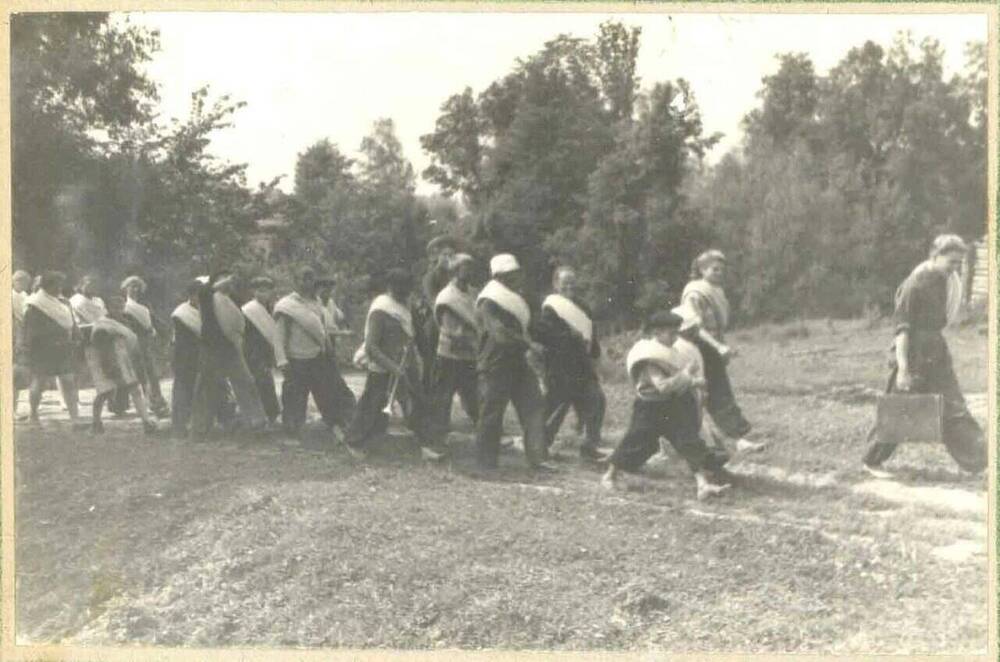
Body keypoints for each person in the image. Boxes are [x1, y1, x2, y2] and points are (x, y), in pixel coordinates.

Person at [862, 234, 987, 477]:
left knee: (953, 404)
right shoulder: (914, 285)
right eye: (951, 261)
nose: (955, 268)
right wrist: (904, 369)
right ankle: (871, 461)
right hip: (913, 353)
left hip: (936, 352)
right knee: (899, 407)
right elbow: (902, 331)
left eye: (959, 263)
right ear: (935, 256)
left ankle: (980, 461)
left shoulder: (944, 280)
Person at [601, 310, 731, 500]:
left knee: (688, 441)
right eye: (670, 333)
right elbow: (662, 386)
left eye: (675, 333)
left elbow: (675, 383)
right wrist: (688, 376)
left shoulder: (671, 352)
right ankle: (609, 476)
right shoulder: (649, 357)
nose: (674, 337)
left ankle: (702, 485)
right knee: (635, 441)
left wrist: (693, 382)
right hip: (649, 408)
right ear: (657, 333)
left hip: (671, 406)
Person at [345, 268, 438, 460]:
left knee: (416, 403)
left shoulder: (408, 306)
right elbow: (371, 347)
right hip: (383, 368)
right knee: (372, 406)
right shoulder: (381, 308)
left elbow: (418, 335)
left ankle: (426, 445)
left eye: (407, 288)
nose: (404, 292)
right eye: (400, 288)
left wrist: (427, 358)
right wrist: (393, 368)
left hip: (407, 365)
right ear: (390, 287)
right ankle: (355, 443)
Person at [474, 254, 554, 473]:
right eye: (510, 274)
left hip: (517, 360)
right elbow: (499, 333)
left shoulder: (515, 299)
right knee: (492, 412)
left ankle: (538, 459)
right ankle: (485, 463)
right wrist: (528, 343)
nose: (516, 277)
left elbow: (528, 326)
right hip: (495, 362)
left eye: (516, 273)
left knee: (533, 406)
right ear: (498, 276)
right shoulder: (488, 301)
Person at [681, 250, 764, 453]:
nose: (719, 273)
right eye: (714, 269)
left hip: (712, 345)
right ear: (702, 269)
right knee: (693, 394)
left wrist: (721, 345)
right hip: (697, 346)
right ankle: (684, 441)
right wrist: (717, 346)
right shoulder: (695, 292)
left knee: (720, 392)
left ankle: (739, 438)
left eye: (721, 270)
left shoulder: (716, 290)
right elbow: (695, 327)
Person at [536, 266, 608, 461]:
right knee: (556, 408)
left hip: (583, 366)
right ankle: (539, 446)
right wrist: (571, 336)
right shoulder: (550, 307)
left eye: (572, 282)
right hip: (560, 366)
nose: (570, 286)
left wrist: (595, 354)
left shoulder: (583, 307)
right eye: (565, 282)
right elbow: (545, 334)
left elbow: (591, 334)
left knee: (596, 401)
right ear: (556, 284)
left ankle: (589, 446)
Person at [274, 267, 355, 440]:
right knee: (295, 397)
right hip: (296, 359)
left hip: (318, 357)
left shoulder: (317, 302)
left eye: (310, 279)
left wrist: (328, 350)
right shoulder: (287, 305)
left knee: (327, 392)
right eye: (303, 279)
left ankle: (335, 426)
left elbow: (324, 329)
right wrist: (281, 360)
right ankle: (292, 432)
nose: (307, 283)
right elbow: (279, 336)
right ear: (295, 282)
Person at [189, 272, 268, 440]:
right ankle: (199, 429)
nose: (229, 284)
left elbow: (238, 324)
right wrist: (223, 281)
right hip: (211, 348)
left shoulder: (231, 299)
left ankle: (256, 422)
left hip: (230, 347)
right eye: (224, 280)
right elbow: (208, 289)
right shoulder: (206, 295)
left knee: (246, 382)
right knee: (206, 387)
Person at [426, 253, 480, 451]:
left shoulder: (473, 293)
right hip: (449, 355)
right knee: (442, 399)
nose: (470, 271)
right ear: (455, 271)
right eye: (465, 268)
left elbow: (478, 318)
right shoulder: (447, 297)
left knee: (474, 397)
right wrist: (472, 341)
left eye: (471, 267)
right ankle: (435, 441)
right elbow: (451, 330)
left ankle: (488, 436)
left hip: (469, 355)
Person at [82, 296, 156, 435]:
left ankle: (146, 422)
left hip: (124, 361)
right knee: (104, 393)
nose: (118, 311)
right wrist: (109, 367)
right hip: (108, 362)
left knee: (135, 390)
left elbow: (130, 342)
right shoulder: (102, 325)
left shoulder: (125, 322)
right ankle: (96, 423)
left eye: (121, 308)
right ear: (108, 309)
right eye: (115, 308)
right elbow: (101, 348)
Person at [22, 271, 84, 428]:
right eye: (56, 284)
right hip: (43, 350)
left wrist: (76, 336)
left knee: (68, 381)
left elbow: (72, 322)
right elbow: (29, 329)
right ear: (46, 285)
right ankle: (33, 415)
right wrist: (30, 349)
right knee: (39, 383)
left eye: (60, 283)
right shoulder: (35, 304)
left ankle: (75, 419)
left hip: (64, 348)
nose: (59, 287)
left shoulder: (64, 303)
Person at [120, 275, 170, 418]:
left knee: (152, 372)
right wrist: (144, 331)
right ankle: (146, 403)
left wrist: (163, 331)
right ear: (125, 288)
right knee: (139, 372)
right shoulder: (124, 305)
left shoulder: (145, 305)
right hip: (134, 341)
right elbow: (127, 324)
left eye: (137, 286)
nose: (135, 289)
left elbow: (154, 320)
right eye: (131, 286)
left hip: (148, 341)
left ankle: (158, 401)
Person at [415, 236, 459, 389]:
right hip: (436, 321)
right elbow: (433, 301)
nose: (448, 259)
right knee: (432, 360)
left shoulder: (455, 276)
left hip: (455, 321)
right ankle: (428, 394)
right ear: (436, 257)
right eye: (445, 255)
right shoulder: (431, 277)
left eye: (452, 256)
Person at [242, 276, 285, 427]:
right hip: (252, 350)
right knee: (259, 382)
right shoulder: (248, 310)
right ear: (253, 292)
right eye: (259, 291)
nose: (263, 294)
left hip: (266, 350)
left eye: (266, 291)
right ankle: (259, 416)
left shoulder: (272, 308)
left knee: (266, 381)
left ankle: (271, 414)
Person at [170, 278, 205, 437]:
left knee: (202, 389)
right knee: (183, 390)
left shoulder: (205, 310)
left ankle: (203, 422)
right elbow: (183, 341)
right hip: (184, 356)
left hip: (201, 354)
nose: (200, 299)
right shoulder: (181, 313)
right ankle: (179, 426)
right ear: (190, 295)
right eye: (197, 295)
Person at [12, 270, 32, 420]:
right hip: (12, 334)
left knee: (18, 373)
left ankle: (14, 408)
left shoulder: (25, 296)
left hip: (22, 334)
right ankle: (11, 409)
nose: (25, 285)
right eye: (22, 282)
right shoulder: (9, 296)